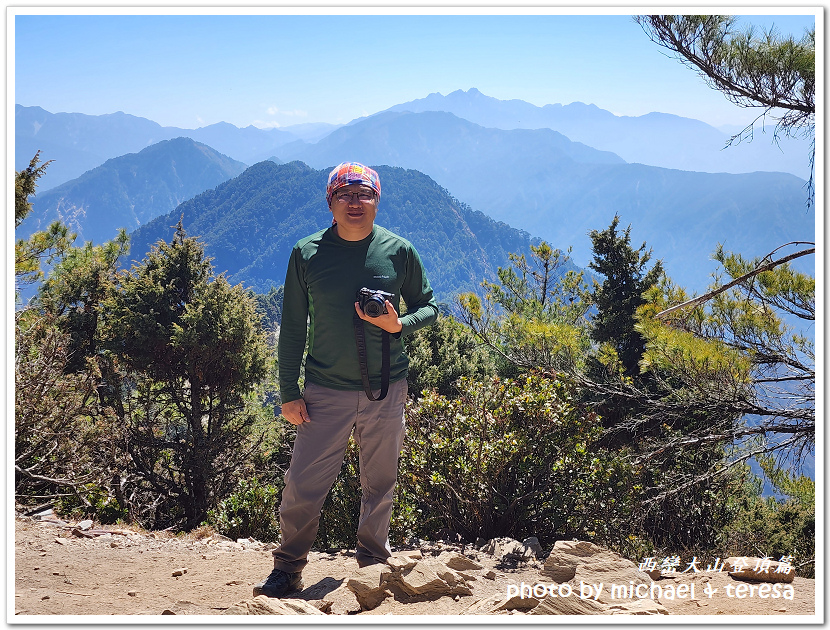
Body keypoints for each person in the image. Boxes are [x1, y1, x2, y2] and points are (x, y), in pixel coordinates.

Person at [254, 162, 439, 598]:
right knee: (302, 483)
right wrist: (288, 392)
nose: (355, 203)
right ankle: (288, 567)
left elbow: (430, 307)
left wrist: (399, 326)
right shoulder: (307, 253)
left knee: (380, 480)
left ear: (377, 200)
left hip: (386, 387)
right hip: (323, 389)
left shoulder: (399, 251)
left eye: (364, 194)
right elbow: (293, 326)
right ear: (330, 202)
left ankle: (373, 562)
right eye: (345, 195)